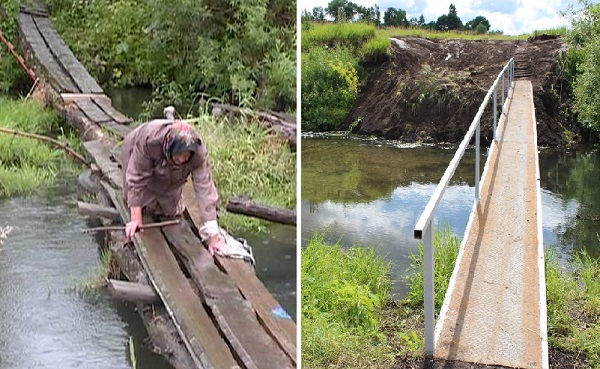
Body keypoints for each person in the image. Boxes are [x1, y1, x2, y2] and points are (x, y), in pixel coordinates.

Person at [121, 116, 225, 255]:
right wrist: (136, 220)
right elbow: (136, 178)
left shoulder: (197, 153)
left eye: (186, 156)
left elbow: (205, 189)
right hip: (136, 147)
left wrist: (213, 236)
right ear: (169, 147)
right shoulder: (150, 140)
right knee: (138, 205)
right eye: (179, 155)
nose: (182, 159)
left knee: (169, 210)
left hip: (169, 161)